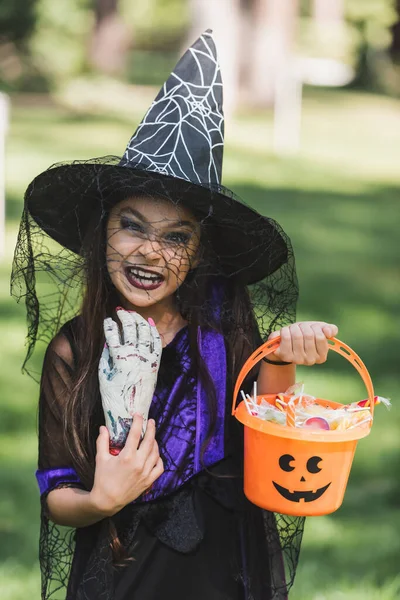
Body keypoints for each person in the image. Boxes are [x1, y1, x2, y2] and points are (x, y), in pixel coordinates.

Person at [12, 31, 338, 600]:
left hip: (220, 565)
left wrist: (284, 357)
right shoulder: (76, 349)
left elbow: (268, 423)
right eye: (132, 225)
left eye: (176, 237)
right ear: (101, 233)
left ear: (199, 254)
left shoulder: (223, 330)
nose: (149, 252)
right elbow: (57, 492)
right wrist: (99, 500)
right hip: (123, 565)